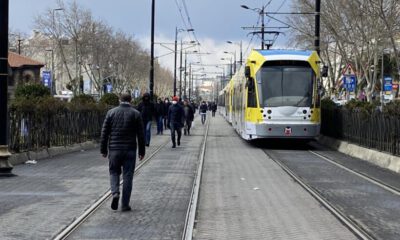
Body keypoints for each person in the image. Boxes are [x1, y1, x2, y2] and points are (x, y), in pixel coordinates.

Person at [100, 93, 145, 212]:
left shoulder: (111, 112)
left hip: (114, 149)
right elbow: (141, 135)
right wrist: (142, 151)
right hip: (130, 150)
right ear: (130, 100)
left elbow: (104, 133)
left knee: (114, 172)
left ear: (120, 100)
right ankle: (125, 204)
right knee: (128, 176)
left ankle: (115, 192)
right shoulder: (136, 114)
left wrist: (103, 150)